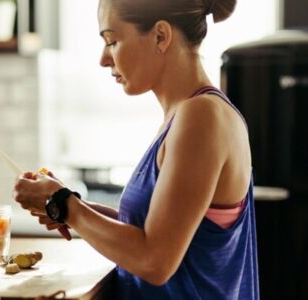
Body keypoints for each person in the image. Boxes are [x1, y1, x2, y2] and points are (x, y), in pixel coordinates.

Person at [13, 0, 259, 299]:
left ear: (160, 36)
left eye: (112, 41)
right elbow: (155, 231)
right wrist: (67, 205)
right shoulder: (186, 115)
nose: (104, 59)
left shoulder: (202, 117)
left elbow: (155, 260)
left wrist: (63, 204)